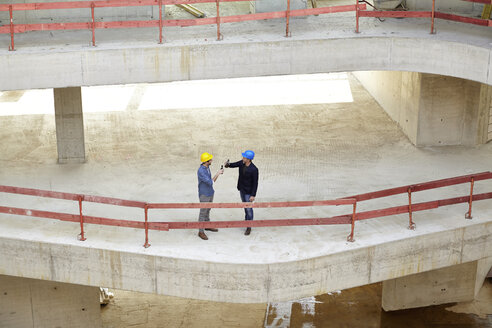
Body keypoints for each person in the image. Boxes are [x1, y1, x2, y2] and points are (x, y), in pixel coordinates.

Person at [224, 150, 258, 236]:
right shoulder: (242, 163)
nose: (242, 158)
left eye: (244, 157)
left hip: (248, 192)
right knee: (245, 207)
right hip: (242, 189)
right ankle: (247, 220)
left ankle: (249, 226)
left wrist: (253, 195)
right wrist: (228, 165)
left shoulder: (254, 169)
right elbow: (234, 164)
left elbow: (255, 183)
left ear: (249, 159)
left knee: (249, 209)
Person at [197, 152, 224, 240]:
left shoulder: (207, 167)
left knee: (208, 210)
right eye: (210, 159)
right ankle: (200, 231)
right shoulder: (201, 171)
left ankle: (207, 225)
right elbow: (210, 182)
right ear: (206, 161)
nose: (211, 160)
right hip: (204, 194)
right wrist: (218, 173)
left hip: (210, 192)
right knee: (203, 212)